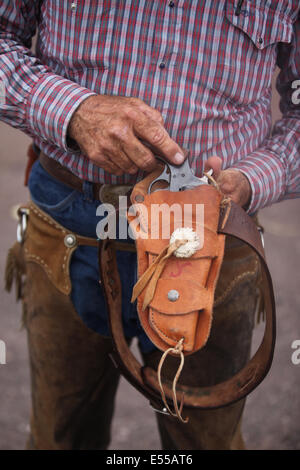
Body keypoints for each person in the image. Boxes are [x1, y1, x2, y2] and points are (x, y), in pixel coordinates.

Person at [0, 1, 299, 450]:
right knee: (61, 435)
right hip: (70, 223)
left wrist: (251, 181)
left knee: (206, 442)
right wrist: (73, 110)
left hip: (213, 237)